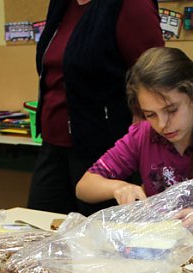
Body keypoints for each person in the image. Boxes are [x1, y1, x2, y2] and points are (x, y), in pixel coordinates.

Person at [76, 47, 193, 242]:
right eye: (150, 114)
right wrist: (117, 187)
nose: (162, 124)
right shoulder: (142, 136)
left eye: (171, 110)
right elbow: (84, 187)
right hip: (158, 249)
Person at [28, 0, 164, 216]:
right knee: (40, 228)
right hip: (54, 143)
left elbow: (153, 75)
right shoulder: (62, 4)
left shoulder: (130, 5)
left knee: (100, 239)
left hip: (102, 144)